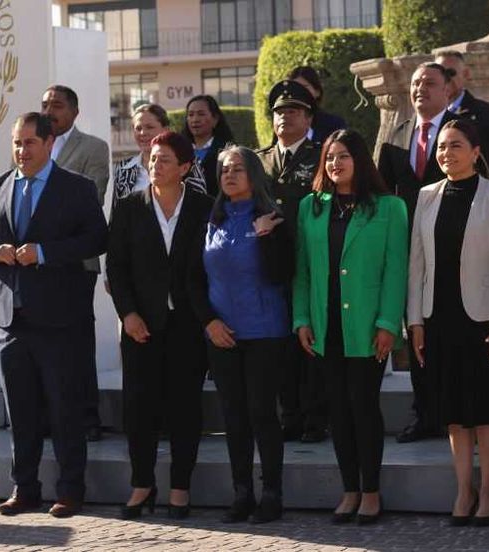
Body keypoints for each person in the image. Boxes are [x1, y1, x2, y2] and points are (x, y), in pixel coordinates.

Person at [0, 112, 107, 518]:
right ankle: (25, 489)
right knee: (20, 413)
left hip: (60, 321)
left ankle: (70, 490)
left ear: (49, 143)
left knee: (64, 410)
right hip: (10, 321)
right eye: (17, 143)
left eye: (30, 143)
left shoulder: (76, 188)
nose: (22, 151)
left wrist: (45, 253)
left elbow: (97, 237)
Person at [294, 129, 408, 525]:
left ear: (360, 160)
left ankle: (371, 491)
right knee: (338, 411)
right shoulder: (311, 207)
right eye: (329, 157)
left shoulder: (389, 207)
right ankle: (349, 489)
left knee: (363, 407)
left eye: (343, 156)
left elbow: (396, 270)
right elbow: (302, 270)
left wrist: (388, 322)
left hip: (367, 326)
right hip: (325, 326)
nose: (335, 163)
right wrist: (301, 318)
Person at [406, 120, 489, 527]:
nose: (446, 153)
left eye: (455, 145)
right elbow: (417, 264)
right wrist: (415, 320)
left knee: (485, 408)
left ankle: (487, 489)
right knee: (453, 410)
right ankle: (463, 488)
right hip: (439, 316)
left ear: (475, 151)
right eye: (441, 146)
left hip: (485, 318)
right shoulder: (426, 196)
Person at [105, 131, 214, 521]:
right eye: (152, 158)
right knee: (139, 409)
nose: (155, 165)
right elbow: (116, 267)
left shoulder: (204, 207)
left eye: (165, 159)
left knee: (185, 407)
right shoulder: (129, 207)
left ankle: (180, 487)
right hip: (141, 326)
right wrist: (128, 314)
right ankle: (142, 484)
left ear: (185, 167)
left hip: (188, 324)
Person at [200, 145, 294, 524]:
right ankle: (242, 493)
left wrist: (265, 236)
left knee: (261, 413)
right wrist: (209, 322)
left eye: (238, 169)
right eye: (224, 169)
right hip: (221, 333)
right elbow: (196, 278)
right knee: (233, 416)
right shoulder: (212, 220)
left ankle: (272, 494)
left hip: (264, 332)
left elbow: (283, 273)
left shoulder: (274, 218)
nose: (229, 174)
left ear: (253, 175)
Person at [378, 61, 458, 443]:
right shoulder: (396, 134)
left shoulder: (462, 131)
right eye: (415, 83)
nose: (420, 89)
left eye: (429, 82)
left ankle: (457, 413)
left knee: (451, 332)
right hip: (410, 250)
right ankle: (425, 414)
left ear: (448, 90)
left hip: (453, 247)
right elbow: (382, 194)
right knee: (417, 332)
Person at [256, 80, 328, 444]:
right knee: (280, 344)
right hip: (269, 265)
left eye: (294, 111)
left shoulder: (321, 157)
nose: (285, 117)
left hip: (309, 263)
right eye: (280, 112)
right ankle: (290, 416)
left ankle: (316, 418)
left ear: (308, 118)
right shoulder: (258, 160)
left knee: (310, 341)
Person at [42, 84, 111, 442]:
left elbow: (91, 200)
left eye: (56, 105)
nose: (48, 111)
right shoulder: (30, 146)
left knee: (77, 345)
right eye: (44, 104)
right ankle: (46, 418)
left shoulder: (93, 148)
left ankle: (86, 419)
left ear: (74, 112)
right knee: (42, 347)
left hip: (74, 264)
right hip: (35, 267)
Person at [434, 50, 489, 184]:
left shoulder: (486, 113)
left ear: (465, 74)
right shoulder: (427, 114)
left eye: (450, 73)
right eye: (441, 75)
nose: (446, 79)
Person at [182, 95, 236, 197]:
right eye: (190, 115)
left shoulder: (228, 151)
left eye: (201, 114)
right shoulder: (180, 150)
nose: (195, 119)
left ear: (215, 119)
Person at [289, 65, 347, 143]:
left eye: (304, 87)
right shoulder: (285, 123)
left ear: (317, 92)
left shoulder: (334, 124)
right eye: (295, 88)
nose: (300, 92)